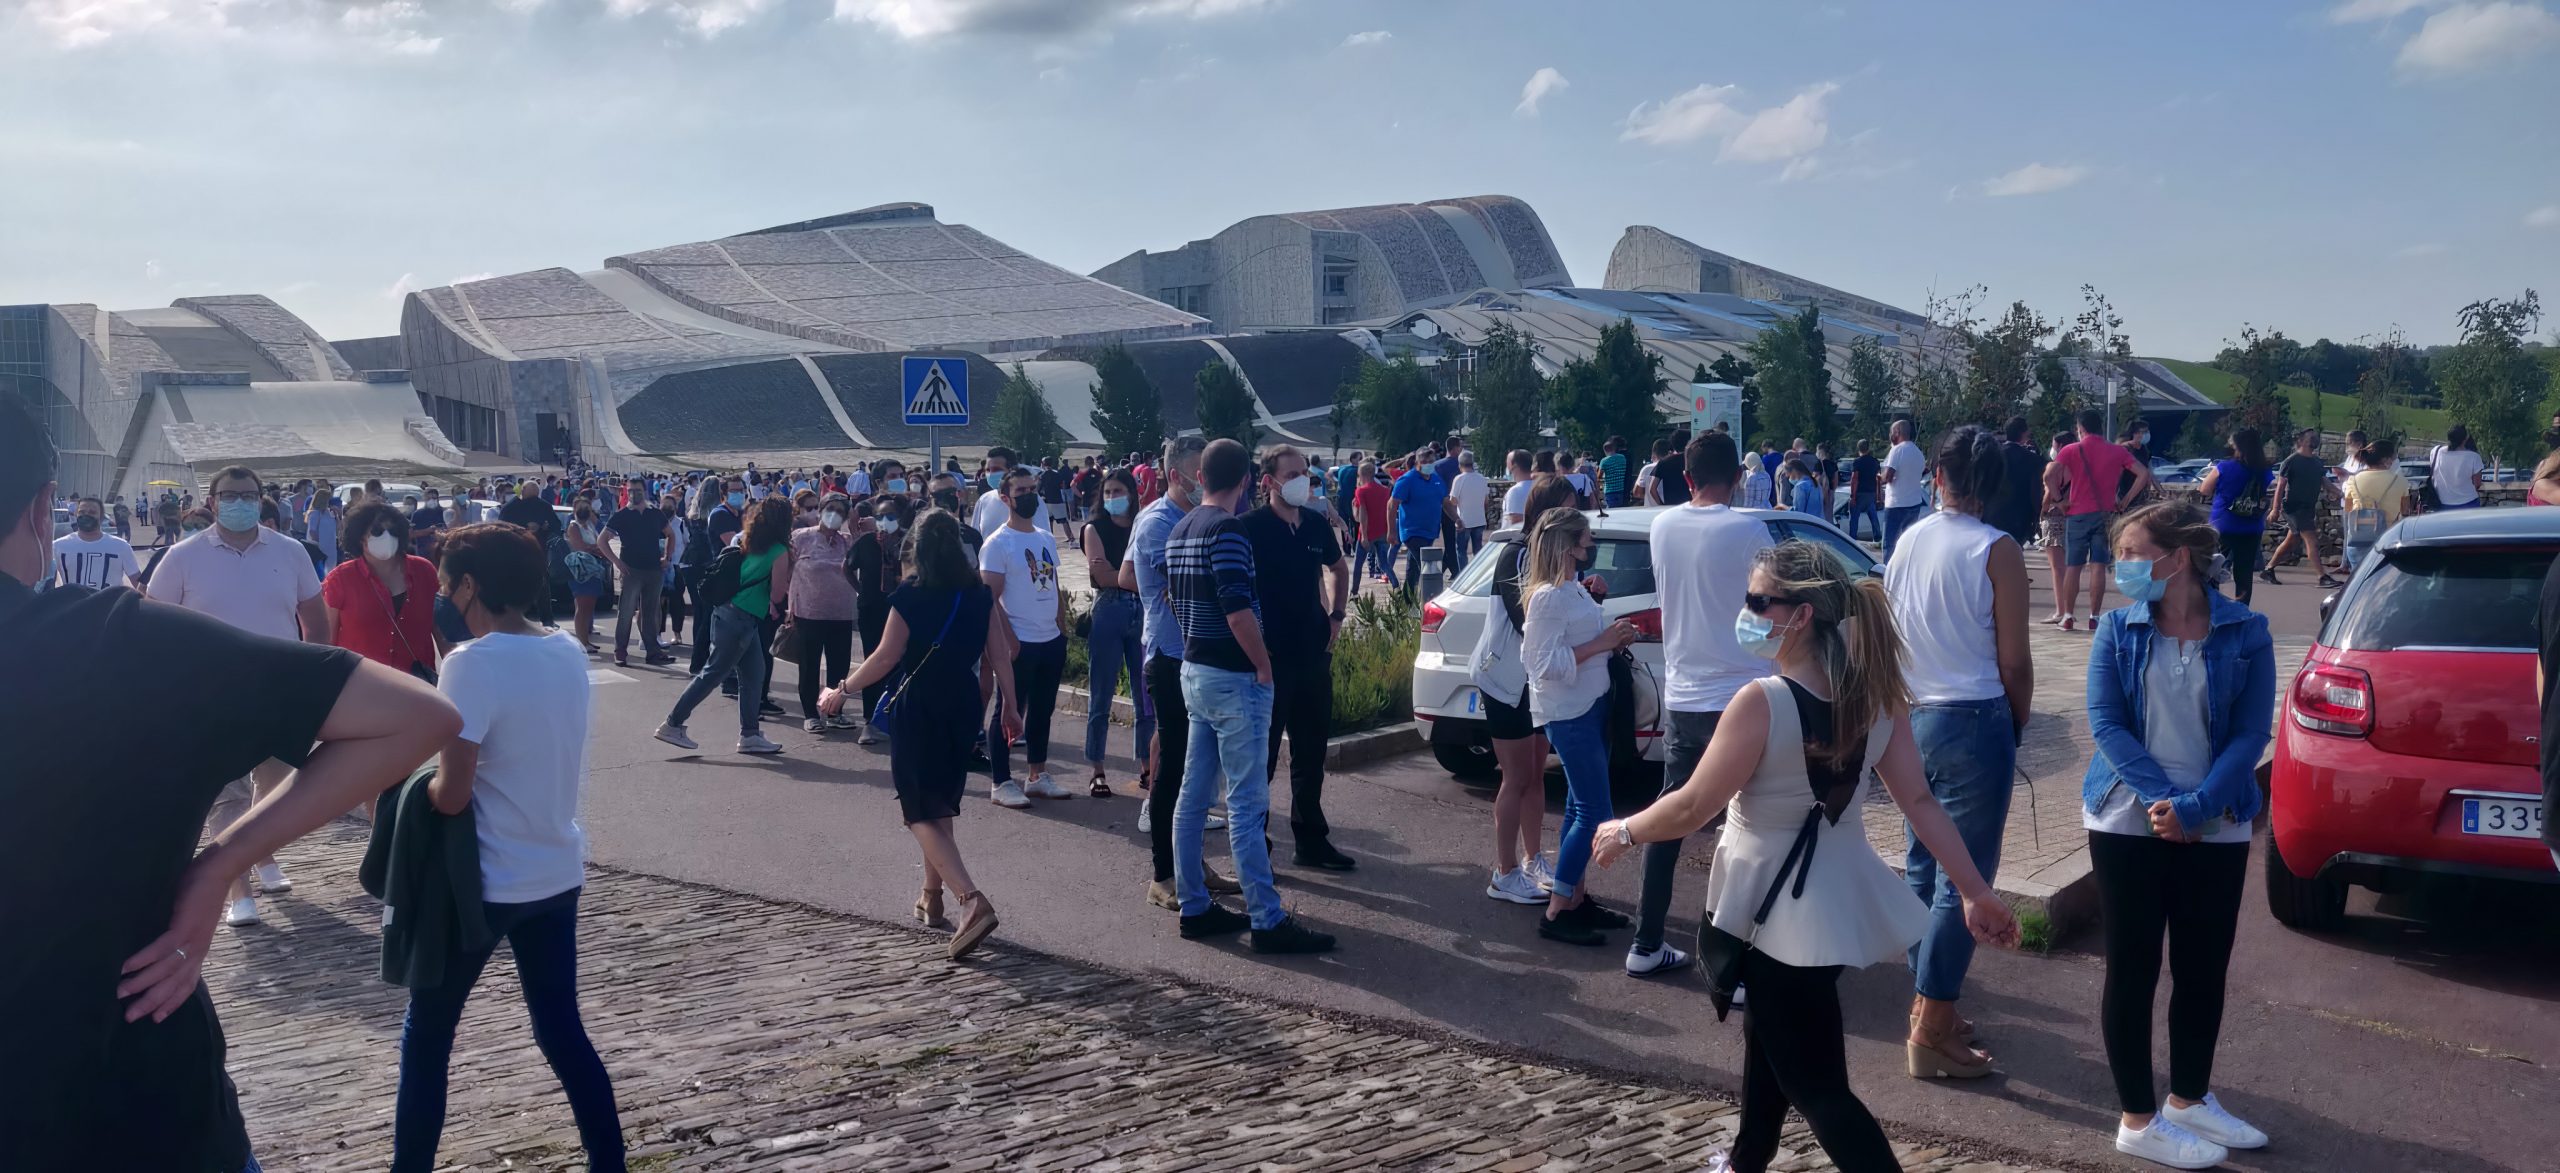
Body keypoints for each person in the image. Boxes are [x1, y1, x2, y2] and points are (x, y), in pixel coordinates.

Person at [0, 396, 461, 1173]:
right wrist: (221, 862)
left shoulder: (221, 584)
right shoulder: (117, 642)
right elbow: (419, 716)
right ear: (44, 510)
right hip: (133, 1092)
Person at [1591, 540, 2019, 1173]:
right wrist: (1975, 891)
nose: (1748, 611)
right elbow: (1921, 803)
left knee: (1818, 1085)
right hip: (1828, 899)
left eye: (1758, 601)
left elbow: (1692, 805)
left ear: (1802, 614)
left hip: (1772, 903)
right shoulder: (1878, 696)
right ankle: (1746, 1160)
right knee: (1770, 1037)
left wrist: (1625, 830)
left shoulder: (1763, 701)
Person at [395, 522, 626, 1173]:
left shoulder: (470, 662)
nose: (443, 595)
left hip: (486, 883)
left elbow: (452, 793)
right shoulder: (566, 650)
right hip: (555, 869)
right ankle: (610, 1161)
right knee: (561, 1032)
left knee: (429, 1034)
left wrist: (417, 786)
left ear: (469, 585)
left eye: (446, 583)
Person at [2084, 499, 2277, 1169]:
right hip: (2126, 821)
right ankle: (2138, 1117)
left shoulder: (2247, 630)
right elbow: (2107, 726)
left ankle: (2188, 1100)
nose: (2122, 568)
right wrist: (2168, 801)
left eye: (2134, 554)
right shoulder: (2115, 628)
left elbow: (2253, 731)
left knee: (2203, 969)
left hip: (2215, 821)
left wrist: (2200, 805)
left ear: (2180, 557)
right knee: (2132, 967)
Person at [1884, 427, 2034, 1080]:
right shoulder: (1996, 549)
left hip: (1916, 714)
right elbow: (2014, 660)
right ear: (1993, 484)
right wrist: (2017, 719)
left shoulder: (1910, 537)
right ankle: (1933, 1020)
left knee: (1925, 863)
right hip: (1974, 714)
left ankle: (1927, 996)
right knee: (1962, 877)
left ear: (1937, 476)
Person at [1166, 438, 1336, 954]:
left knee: (1193, 797)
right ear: (1246, 481)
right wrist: (1263, 665)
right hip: (1236, 676)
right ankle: (1266, 917)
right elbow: (1238, 608)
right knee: (1245, 802)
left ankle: (1193, 904)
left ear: (1199, 477)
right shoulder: (1229, 531)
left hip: (1196, 669)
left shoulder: (1182, 527)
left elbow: (1175, 599)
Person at [820, 509, 1011, 959]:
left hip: (920, 704)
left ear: (917, 551)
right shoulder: (978, 594)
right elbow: (1001, 655)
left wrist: (841, 690)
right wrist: (1013, 707)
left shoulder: (911, 596)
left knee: (917, 812)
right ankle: (932, 896)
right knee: (939, 804)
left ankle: (970, 900)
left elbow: (886, 657)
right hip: (963, 704)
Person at [147, 465, 331, 927]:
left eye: (248, 494)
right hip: (210, 695)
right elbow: (155, 626)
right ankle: (238, 888)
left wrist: (316, 672)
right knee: (225, 793)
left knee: (276, 789)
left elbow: (314, 617)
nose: (240, 502)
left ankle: (262, 854)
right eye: (230, 494)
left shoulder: (290, 553)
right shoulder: (182, 557)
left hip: (280, 691)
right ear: (212, 501)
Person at [1629, 432, 1768, 977]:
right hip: (1745, 694)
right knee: (1748, 827)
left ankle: (1646, 941)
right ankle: (1730, 966)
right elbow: (1765, 608)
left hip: (1685, 692)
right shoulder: (1749, 528)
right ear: (1738, 478)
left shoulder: (1662, 526)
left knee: (1671, 817)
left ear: (1685, 478)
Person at [1125, 436, 1239, 906]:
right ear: (1176, 476)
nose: (1205, 483)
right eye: (1198, 474)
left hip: (1198, 657)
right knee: (1173, 769)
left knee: (1198, 770)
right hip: (1172, 657)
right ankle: (1163, 877)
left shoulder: (1200, 517)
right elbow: (1139, 578)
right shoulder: (1158, 523)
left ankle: (1190, 863)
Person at [1520, 505, 1641, 945]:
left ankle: (1573, 899)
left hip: (1588, 705)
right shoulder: (1548, 597)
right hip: (1567, 712)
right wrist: (1604, 642)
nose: (1592, 547)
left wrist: (1602, 621)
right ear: (1568, 546)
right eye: (1587, 542)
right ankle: (1558, 909)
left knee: (1579, 807)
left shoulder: (1570, 589)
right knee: (1595, 812)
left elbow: (1572, 640)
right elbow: (1541, 664)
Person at [1242, 445, 1357, 871]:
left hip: (1312, 652)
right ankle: (1257, 849)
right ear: (1268, 481)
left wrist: (1337, 616)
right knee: (1263, 760)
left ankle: (1311, 840)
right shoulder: (1248, 528)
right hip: (1269, 661)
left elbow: (1339, 568)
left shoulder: (1312, 524)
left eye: (1304, 473)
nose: (1301, 481)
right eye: (1291, 474)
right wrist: (1254, 644)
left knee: (1311, 754)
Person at [1476, 474, 1581, 906]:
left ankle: (1534, 858)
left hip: (1533, 682)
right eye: (1569, 510)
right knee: (1516, 777)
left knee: (1537, 775)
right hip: (1506, 681)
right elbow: (1530, 623)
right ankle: (1504, 873)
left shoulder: (1552, 558)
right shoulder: (1516, 556)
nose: (1578, 519)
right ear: (1546, 513)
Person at [655, 497, 787, 755]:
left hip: (730, 612)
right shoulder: (779, 550)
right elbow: (778, 595)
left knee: (753, 676)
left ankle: (750, 734)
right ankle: (673, 723)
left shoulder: (748, 539)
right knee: (713, 674)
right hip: (742, 618)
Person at [982, 467, 1070, 807]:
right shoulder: (997, 544)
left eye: (1032, 489)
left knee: (1042, 710)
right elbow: (989, 598)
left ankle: (1037, 775)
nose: (1029, 495)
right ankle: (1001, 782)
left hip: (1050, 639)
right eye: (1021, 491)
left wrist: (1061, 626)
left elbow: (1054, 586)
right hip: (1018, 643)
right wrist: (1008, 640)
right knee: (1009, 709)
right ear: (1005, 498)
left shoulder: (1044, 538)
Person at [2044, 409, 2155, 631]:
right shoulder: (2116, 451)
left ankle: (2067, 616)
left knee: (2073, 566)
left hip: (2076, 513)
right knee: (2098, 565)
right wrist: (2124, 502)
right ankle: (2094, 615)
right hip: (2106, 513)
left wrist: (2058, 499)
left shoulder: (2071, 450)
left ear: (2081, 428)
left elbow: (2048, 475)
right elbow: (2143, 474)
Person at [1081, 469, 1153, 796]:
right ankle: (1097, 768)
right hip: (1109, 609)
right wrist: (1139, 579)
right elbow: (1101, 573)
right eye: (1107, 492)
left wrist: (1124, 576)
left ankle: (1147, 766)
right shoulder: (1094, 528)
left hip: (1142, 611)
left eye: (1118, 491)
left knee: (1145, 695)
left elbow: (1143, 567)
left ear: (1132, 493)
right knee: (1102, 692)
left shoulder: (1143, 524)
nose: (1112, 498)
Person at [323, 502, 441, 681]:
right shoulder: (340, 579)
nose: (387, 536)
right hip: (361, 688)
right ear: (360, 537)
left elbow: (440, 632)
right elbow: (327, 642)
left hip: (417, 688)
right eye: (378, 532)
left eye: (393, 531)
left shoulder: (424, 570)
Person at [776, 493, 858, 735]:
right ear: (821, 510)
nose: (835, 515)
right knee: (810, 666)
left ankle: (833, 712)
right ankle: (811, 714)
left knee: (839, 666)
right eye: (830, 509)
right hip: (808, 613)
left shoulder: (848, 541)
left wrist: (855, 528)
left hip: (841, 613)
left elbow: (866, 557)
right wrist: (789, 606)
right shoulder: (801, 538)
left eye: (841, 511)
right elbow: (788, 572)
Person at [846, 493, 910, 745]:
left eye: (890, 516)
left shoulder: (909, 542)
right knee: (873, 661)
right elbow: (847, 567)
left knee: (901, 664)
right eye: (880, 516)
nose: (885, 521)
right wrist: (860, 590)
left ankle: (898, 716)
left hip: (901, 611)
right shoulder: (866, 542)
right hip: (872, 609)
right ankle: (871, 721)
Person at [2198, 428, 2274, 608]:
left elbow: (2204, 489)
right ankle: (2242, 608)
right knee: (2244, 571)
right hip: (2251, 526)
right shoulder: (2264, 471)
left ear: (2238, 446)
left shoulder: (2224, 467)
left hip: (2223, 523)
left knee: (2214, 566)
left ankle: (2212, 604)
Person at [2265, 428, 2342, 591]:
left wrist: (2338, 491)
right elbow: (2280, 486)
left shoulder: (2316, 462)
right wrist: (2275, 509)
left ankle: (2268, 569)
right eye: (2310, 437)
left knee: (2291, 540)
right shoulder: (2291, 461)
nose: (2314, 439)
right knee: (2311, 540)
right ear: (2301, 441)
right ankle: (2322, 576)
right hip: (2294, 508)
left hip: (2308, 507)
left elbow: (2324, 481)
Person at [2340, 439, 2414, 571]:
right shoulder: (2401, 481)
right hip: (2386, 540)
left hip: (2358, 539)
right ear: (2386, 459)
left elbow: (2348, 509)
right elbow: (2405, 511)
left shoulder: (2353, 479)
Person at [50, 496, 139, 590]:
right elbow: (45, 583)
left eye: (92, 512)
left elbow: (139, 584)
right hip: (73, 604)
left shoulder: (121, 546)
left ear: (101, 517)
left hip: (109, 604)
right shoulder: (58, 546)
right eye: (82, 512)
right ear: (76, 514)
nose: (86, 515)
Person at [1391, 447, 1447, 595]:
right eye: (1424, 461)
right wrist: (1391, 531)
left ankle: (1406, 602)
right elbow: (1392, 504)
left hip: (1430, 532)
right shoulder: (1407, 480)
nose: (1428, 464)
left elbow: (1445, 501)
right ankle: (1428, 598)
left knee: (1413, 570)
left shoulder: (1436, 480)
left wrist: (1458, 519)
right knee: (1426, 567)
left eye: (1431, 461)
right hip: (1412, 532)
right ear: (1417, 462)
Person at [1990, 416, 2048, 548]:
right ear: (2024, 433)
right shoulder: (2033, 460)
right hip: (2021, 516)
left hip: (1993, 513)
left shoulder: (1992, 456)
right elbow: (2037, 488)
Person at [563, 498, 608, 653]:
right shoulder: (573, 526)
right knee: (582, 606)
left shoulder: (590, 526)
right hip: (581, 570)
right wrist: (595, 548)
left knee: (589, 606)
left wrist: (595, 547)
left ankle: (586, 640)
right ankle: (582, 641)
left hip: (593, 569)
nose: (585, 512)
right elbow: (580, 546)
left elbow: (602, 541)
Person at [1880, 420, 1930, 559]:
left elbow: (1888, 477)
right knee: (1907, 544)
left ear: (1897, 433)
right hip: (1914, 503)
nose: (1890, 435)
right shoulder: (1918, 453)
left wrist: (1880, 476)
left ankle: (1887, 574)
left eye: (1891, 432)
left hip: (1896, 503)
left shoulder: (1897, 450)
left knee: (1889, 544)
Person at [1353, 459, 1396, 588]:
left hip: (1368, 532)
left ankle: (1354, 591)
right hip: (1382, 530)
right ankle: (1396, 585)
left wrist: (1364, 536)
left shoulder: (1361, 491)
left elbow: (1362, 514)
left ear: (1362, 475)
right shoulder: (1385, 490)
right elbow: (1389, 510)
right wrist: (1390, 530)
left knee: (1358, 564)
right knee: (1384, 563)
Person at [2430, 424, 2486, 510]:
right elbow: (2477, 483)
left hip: (2442, 503)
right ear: (2465, 439)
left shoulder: (2436, 451)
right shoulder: (2474, 457)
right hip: (2469, 503)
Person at [1451, 450, 1488, 573]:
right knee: (1478, 550)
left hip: (1464, 520)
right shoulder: (1482, 479)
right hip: (1479, 519)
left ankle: (1463, 575)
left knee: (1461, 551)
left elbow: (1453, 501)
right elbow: (1486, 500)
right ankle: (1478, 575)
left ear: (1460, 464)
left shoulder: (1459, 479)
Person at [1845, 439, 1883, 541]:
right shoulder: (1875, 462)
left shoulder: (1857, 462)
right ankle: (1877, 536)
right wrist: (1879, 496)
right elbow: (1878, 479)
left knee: (1854, 518)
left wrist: (1853, 496)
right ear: (1868, 448)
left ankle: (1852, 538)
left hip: (1860, 493)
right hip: (1871, 493)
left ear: (1858, 448)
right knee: (1873, 515)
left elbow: (1854, 479)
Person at [1599, 436, 1631, 507]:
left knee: (1611, 511)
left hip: (1609, 491)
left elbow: (1599, 476)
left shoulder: (1604, 461)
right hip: (1621, 489)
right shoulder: (1623, 457)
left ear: (1605, 450)